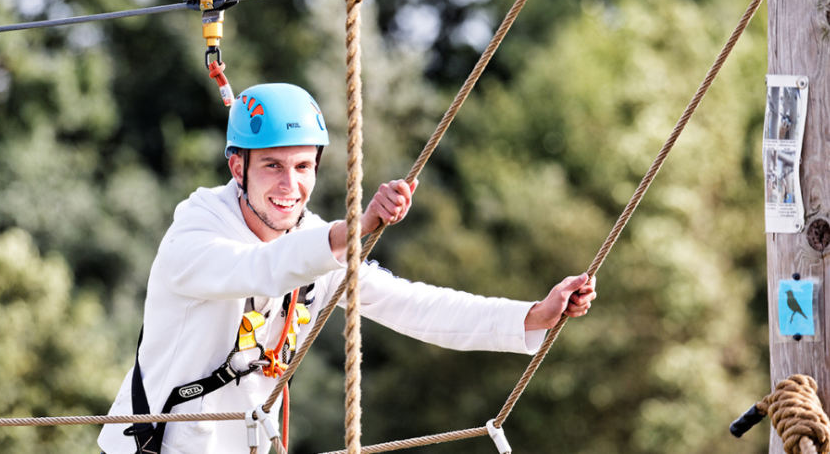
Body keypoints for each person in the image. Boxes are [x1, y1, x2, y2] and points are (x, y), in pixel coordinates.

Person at [97, 83, 596, 454]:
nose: (289, 185)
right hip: (155, 446)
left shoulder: (316, 239)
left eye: (302, 167)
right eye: (272, 165)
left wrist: (533, 315)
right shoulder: (196, 231)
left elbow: (410, 305)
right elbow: (261, 269)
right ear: (238, 168)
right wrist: (351, 231)